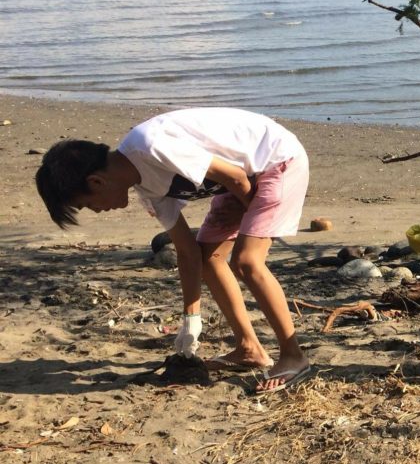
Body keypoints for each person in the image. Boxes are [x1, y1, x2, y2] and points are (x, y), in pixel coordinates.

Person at [35, 107, 312, 394]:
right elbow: (187, 251)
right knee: (210, 259)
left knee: (246, 261)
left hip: (276, 161)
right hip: (237, 182)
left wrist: (254, 227)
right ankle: (249, 348)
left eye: (88, 205)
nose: (97, 211)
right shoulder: (148, 190)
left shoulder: (152, 145)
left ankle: (294, 355)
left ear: (96, 182)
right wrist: (191, 318)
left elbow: (236, 178)